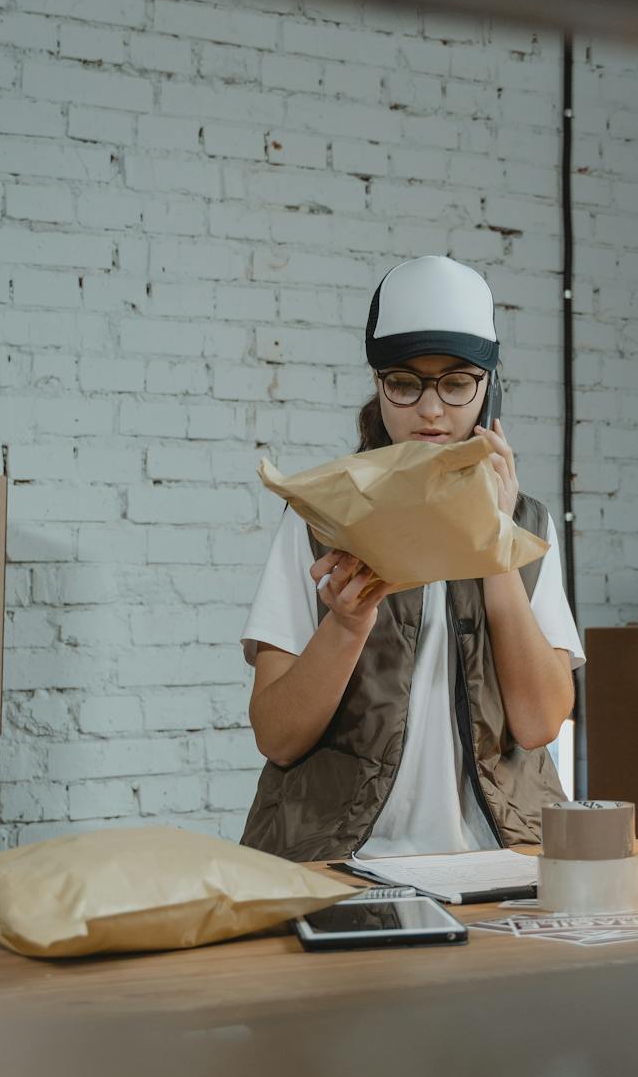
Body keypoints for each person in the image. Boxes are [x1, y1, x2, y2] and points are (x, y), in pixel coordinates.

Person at [239, 256, 583, 861]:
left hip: (497, 857)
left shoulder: (528, 524)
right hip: (341, 861)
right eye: (405, 383)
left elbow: (540, 724)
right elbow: (277, 736)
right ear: (379, 385)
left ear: (488, 387)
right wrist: (345, 626)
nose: (431, 410)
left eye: (455, 384)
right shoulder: (318, 519)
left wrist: (494, 545)